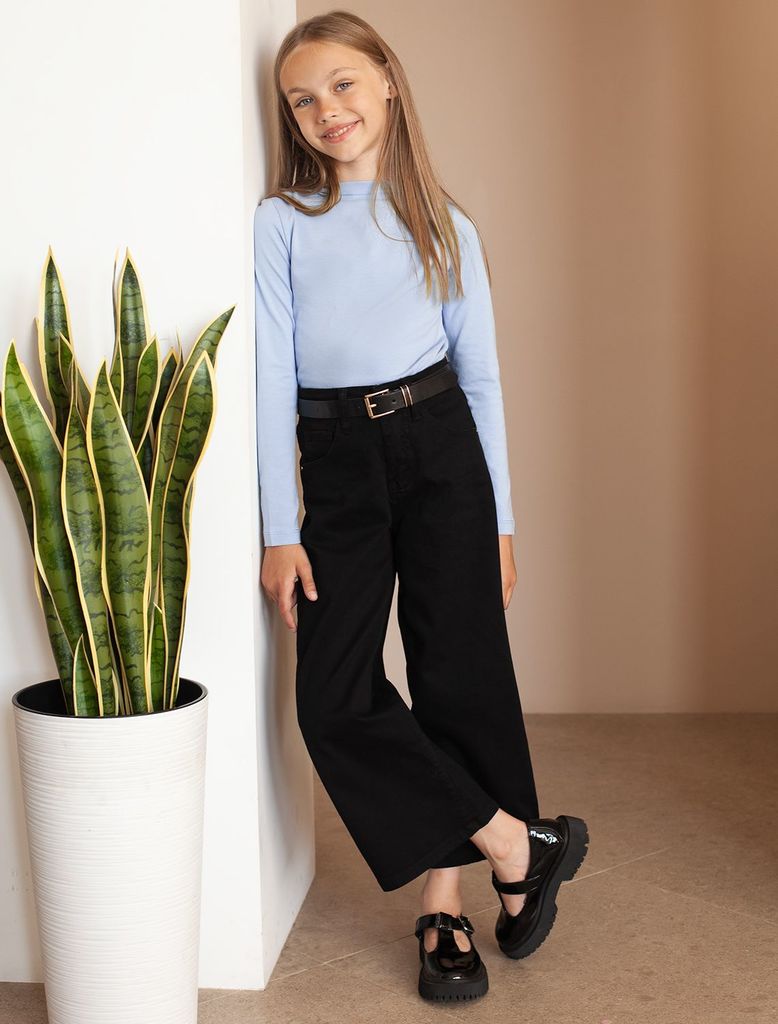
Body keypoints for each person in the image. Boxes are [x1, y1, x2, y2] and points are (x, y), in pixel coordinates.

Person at [253, 9, 589, 1003]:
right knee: (334, 693)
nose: (325, 110)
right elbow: (272, 380)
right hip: (338, 462)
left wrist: (502, 521)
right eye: (302, 100)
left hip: (443, 448)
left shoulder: (446, 225)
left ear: (388, 82)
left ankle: (448, 904)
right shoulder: (282, 222)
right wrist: (279, 529)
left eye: (342, 85)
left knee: (460, 673)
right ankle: (512, 842)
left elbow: (482, 380)